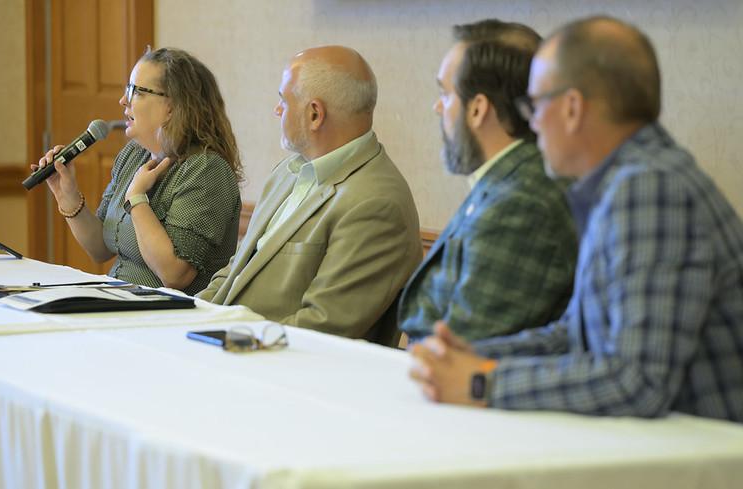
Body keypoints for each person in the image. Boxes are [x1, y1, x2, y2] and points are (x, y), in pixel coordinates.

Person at [410, 16, 743, 422]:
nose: (531, 122)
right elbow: (574, 334)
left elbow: (636, 382)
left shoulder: (651, 187)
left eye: (535, 104)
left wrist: (482, 382)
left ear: (571, 108)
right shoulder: (621, 183)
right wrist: (473, 355)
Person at [198, 46, 422, 344]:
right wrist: (185, 317)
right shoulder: (286, 172)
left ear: (315, 114)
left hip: (275, 371)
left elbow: (321, 328)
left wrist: (215, 341)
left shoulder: (376, 203)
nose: (276, 111)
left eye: (283, 101)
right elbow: (236, 270)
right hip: (220, 348)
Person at [398, 20, 577, 344]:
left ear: (478, 109)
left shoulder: (522, 203)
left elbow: (461, 353)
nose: (437, 107)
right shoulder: (509, 179)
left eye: (445, 94)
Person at [33, 48, 242, 296]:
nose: (123, 100)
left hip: (168, 317)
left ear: (173, 106)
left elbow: (175, 275)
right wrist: (66, 194)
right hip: (118, 302)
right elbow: (101, 248)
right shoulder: (134, 155)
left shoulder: (205, 169)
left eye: (136, 91)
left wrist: (137, 199)